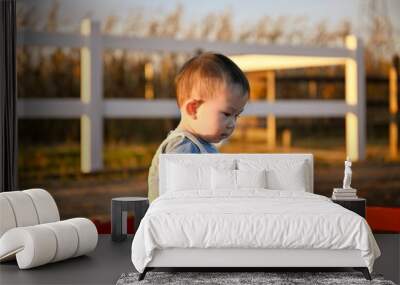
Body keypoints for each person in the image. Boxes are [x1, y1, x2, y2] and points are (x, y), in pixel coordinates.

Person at [147, 52, 250, 203]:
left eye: (237, 115)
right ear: (193, 109)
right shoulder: (182, 147)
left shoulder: (202, 145)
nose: (232, 123)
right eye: (227, 113)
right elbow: (181, 199)